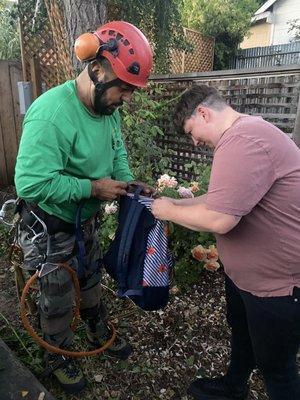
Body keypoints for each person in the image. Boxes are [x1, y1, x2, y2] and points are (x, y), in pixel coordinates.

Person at [14, 21, 153, 394]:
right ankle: (57, 353)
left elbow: (116, 151)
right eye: (123, 88)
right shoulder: (51, 115)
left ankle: (95, 326)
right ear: (97, 70)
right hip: (51, 222)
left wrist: (127, 182)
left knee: (90, 275)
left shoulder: (107, 111)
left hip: (84, 218)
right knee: (57, 288)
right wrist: (92, 187)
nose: (126, 99)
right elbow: (30, 183)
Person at [151, 84, 300, 400]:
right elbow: (218, 199)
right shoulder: (248, 133)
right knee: (243, 335)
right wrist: (178, 202)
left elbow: (220, 218)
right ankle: (234, 386)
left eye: (192, 131)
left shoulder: (241, 141)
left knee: (277, 369)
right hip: (246, 279)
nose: (195, 141)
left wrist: (167, 211)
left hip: (277, 287)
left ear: (203, 113)